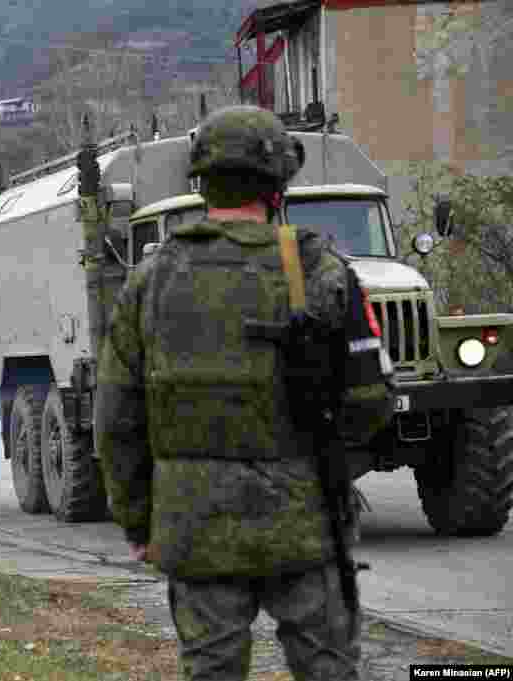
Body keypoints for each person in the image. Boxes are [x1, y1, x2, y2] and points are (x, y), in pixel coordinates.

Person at [96, 105, 392, 681]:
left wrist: (138, 523)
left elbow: (116, 421)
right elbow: (371, 402)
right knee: (329, 669)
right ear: (279, 182)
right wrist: (324, 463)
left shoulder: (150, 279)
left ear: (200, 180)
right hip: (305, 523)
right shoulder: (322, 271)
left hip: (194, 527)